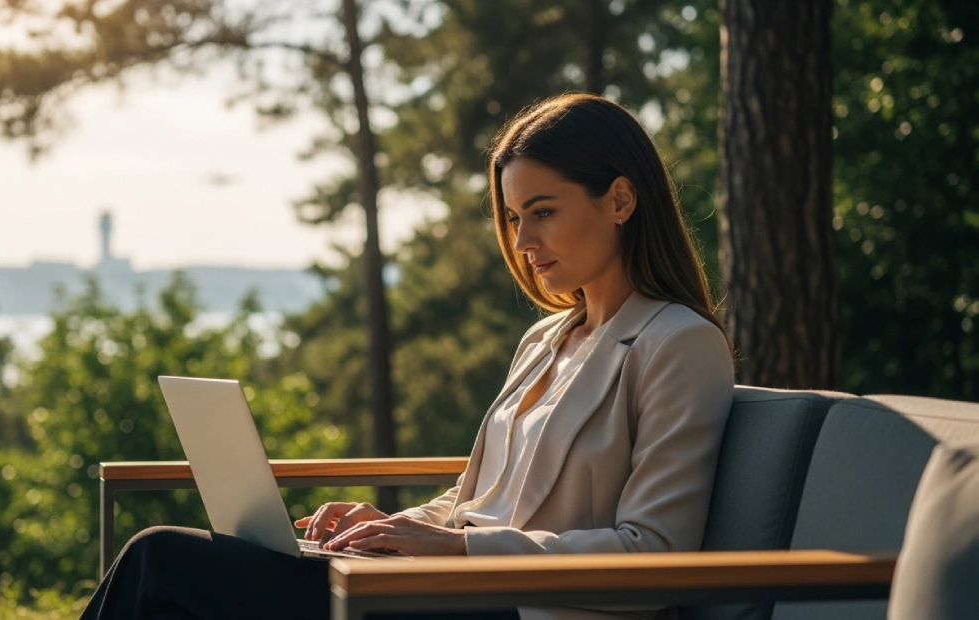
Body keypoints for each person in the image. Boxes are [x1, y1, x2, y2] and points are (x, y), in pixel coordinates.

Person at [80, 92, 735, 620]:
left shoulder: (677, 344)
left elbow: (655, 554)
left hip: (525, 608)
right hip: (448, 590)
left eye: (542, 212)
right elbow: (479, 498)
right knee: (181, 581)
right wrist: (389, 528)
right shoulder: (545, 340)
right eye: (511, 218)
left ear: (620, 200)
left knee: (161, 560)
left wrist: (457, 549)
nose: (523, 240)